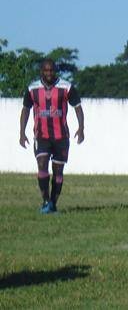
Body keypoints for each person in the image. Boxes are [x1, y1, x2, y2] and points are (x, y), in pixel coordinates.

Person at [19, 58, 85, 214]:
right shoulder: (32, 89)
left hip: (61, 137)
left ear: (55, 71)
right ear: (41, 71)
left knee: (58, 171)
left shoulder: (66, 87)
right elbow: (25, 110)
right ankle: (45, 201)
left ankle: (53, 204)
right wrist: (21, 132)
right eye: (46, 70)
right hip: (41, 136)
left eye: (51, 70)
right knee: (42, 165)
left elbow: (78, 107)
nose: (49, 73)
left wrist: (81, 128)